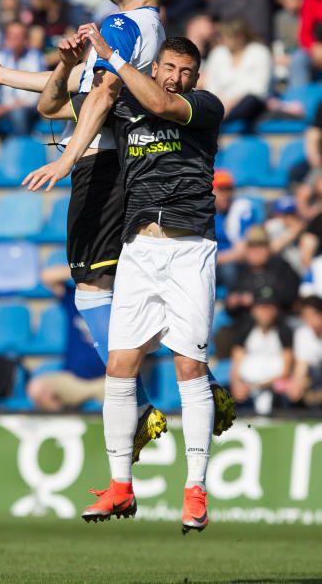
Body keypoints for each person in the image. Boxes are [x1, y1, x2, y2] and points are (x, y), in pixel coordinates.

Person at [44, 30, 225, 531]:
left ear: (196, 78)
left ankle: (195, 490)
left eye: (187, 72)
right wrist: (64, 67)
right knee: (120, 367)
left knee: (189, 368)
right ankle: (121, 486)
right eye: (170, 67)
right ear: (158, 65)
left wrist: (112, 57)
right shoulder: (124, 102)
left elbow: (163, 103)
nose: (177, 77)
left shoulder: (203, 107)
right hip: (139, 248)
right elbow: (54, 104)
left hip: (190, 248)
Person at [27, 264, 105, 410]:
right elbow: (46, 276)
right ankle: (63, 427)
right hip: (73, 379)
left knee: (126, 400)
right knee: (37, 388)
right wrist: (87, 269)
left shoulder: (114, 299)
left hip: (107, 381)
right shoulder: (73, 298)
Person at [230, 288, 294, 415]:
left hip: (274, 389)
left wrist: (259, 385)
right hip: (247, 389)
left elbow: (287, 369)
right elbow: (236, 364)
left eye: (269, 308)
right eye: (261, 307)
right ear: (254, 310)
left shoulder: (284, 331)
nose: (265, 313)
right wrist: (236, 385)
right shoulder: (245, 330)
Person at [204, 17, 272, 132]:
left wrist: (232, 102)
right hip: (221, 103)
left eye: (227, 36)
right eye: (222, 36)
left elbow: (260, 90)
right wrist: (222, 103)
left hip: (249, 104)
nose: (223, 40)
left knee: (250, 101)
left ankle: (218, 121)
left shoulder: (260, 52)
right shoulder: (217, 53)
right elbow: (211, 86)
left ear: (240, 37)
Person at [0, 21, 46, 135]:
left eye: (17, 36)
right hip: (1, 107)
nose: (12, 39)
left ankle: (21, 146)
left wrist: (0, 110)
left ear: (25, 40)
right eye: (9, 35)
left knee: (18, 114)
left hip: (25, 109)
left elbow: (33, 99)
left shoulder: (35, 57)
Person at [213, 168, 260, 289]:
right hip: (210, 262)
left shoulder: (240, 210)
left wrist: (210, 258)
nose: (226, 194)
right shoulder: (204, 211)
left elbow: (240, 253)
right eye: (221, 189)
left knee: (230, 269)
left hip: (229, 264)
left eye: (229, 189)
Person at [286, 295, 322, 406]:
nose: (309, 320)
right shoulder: (302, 333)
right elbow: (301, 365)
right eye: (305, 316)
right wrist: (297, 384)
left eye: (312, 315)